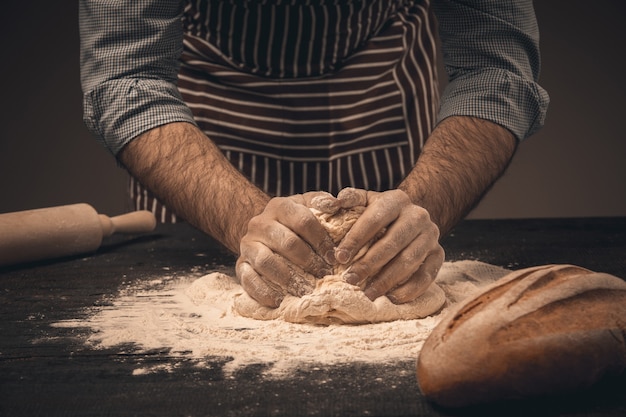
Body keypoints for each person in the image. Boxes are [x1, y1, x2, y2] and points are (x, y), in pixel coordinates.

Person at [79, 0, 549, 309]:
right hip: (207, 119)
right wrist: (241, 218)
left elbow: (495, 68)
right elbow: (127, 76)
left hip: (379, 94)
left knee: (390, 269)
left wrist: (421, 206)